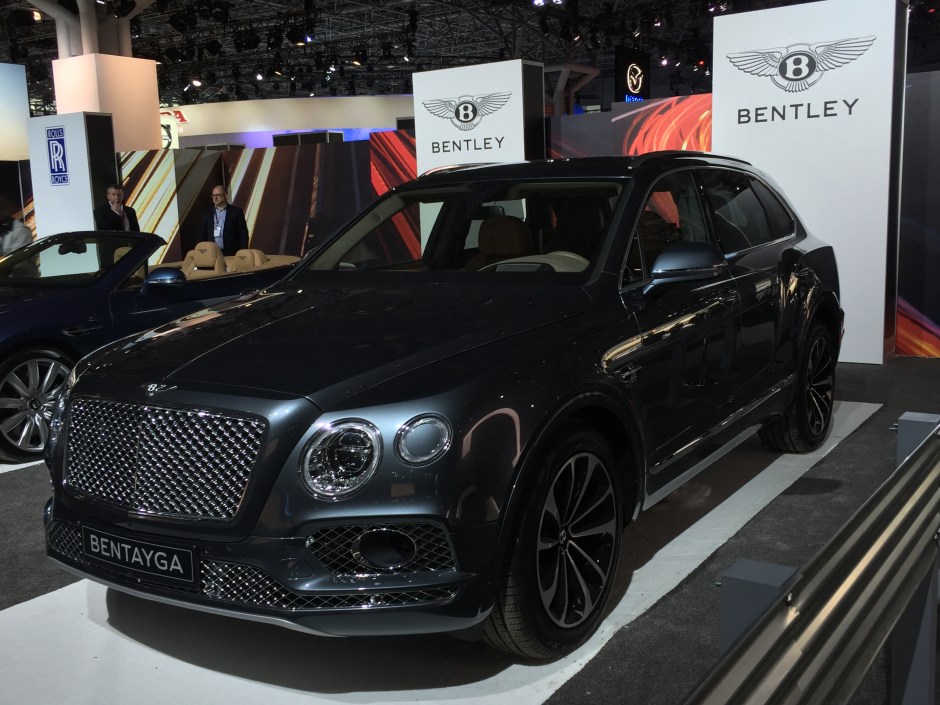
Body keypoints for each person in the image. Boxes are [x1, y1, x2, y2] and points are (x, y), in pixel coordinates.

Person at [200, 184, 249, 256]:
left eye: (218, 195)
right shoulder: (207, 213)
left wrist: (243, 252)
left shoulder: (236, 212)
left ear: (225, 196)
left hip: (231, 253)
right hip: (212, 253)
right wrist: (202, 252)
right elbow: (203, 234)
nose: (215, 198)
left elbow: (243, 234)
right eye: (213, 195)